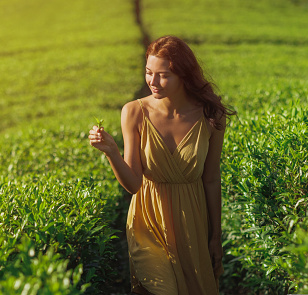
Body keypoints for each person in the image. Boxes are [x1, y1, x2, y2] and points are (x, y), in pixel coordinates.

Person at [89, 35, 235, 295]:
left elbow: (211, 179)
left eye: (163, 75)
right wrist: (112, 151)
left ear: (184, 76)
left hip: (192, 222)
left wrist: (215, 237)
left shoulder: (212, 116)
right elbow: (134, 184)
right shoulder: (134, 112)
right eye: (148, 72)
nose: (152, 82)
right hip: (147, 221)